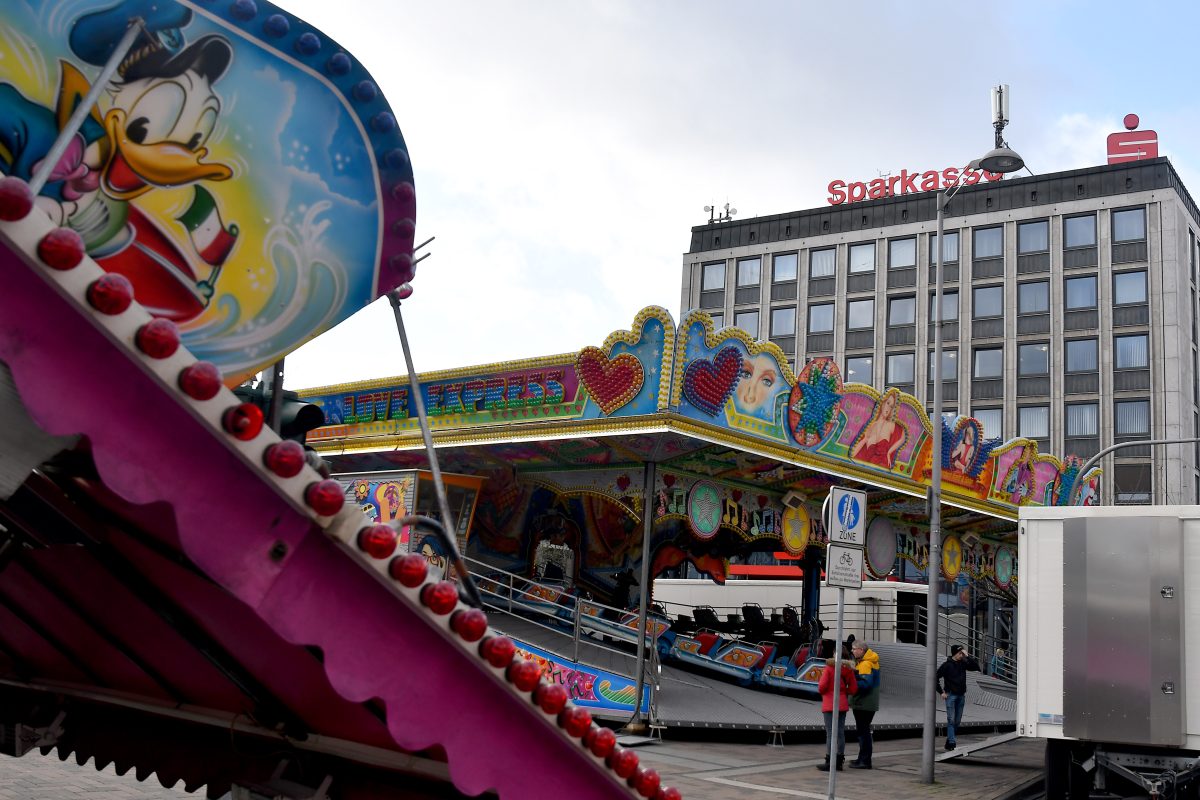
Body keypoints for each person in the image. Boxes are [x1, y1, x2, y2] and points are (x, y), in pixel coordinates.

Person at [816, 644, 857, 772]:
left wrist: (826, 692)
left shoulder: (829, 668)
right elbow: (854, 688)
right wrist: (844, 691)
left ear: (835, 654)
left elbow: (821, 687)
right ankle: (839, 761)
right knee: (840, 733)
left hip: (829, 704)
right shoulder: (848, 669)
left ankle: (829, 761)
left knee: (830, 734)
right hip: (842, 704)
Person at [935, 644, 980, 751]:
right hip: (950, 695)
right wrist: (941, 692)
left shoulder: (963, 663)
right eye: (960, 653)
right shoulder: (946, 665)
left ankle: (950, 739)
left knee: (957, 721)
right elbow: (935, 677)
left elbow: (976, 667)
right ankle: (951, 742)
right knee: (951, 720)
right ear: (955, 653)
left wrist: (967, 656)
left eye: (962, 653)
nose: (962, 655)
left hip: (961, 696)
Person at [848, 640, 881, 769]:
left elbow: (865, 684)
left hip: (864, 702)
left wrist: (850, 684)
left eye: (854, 648)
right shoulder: (871, 661)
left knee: (863, 732)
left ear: (861, 650)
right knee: (864, 731)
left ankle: (865, 761)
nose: (852, 651)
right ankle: (862, 759)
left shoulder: (866, 664)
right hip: (868, 702)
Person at [850, 391, 905, 469]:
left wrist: (889, 452)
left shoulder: (890, 425)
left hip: (883, 467)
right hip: (868, 470)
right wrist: (865, 439)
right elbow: (852, 454)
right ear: (882, 403)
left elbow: (903, 437)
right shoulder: (870, 426)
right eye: (888, 403)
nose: (888, 408)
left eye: (891, 406)